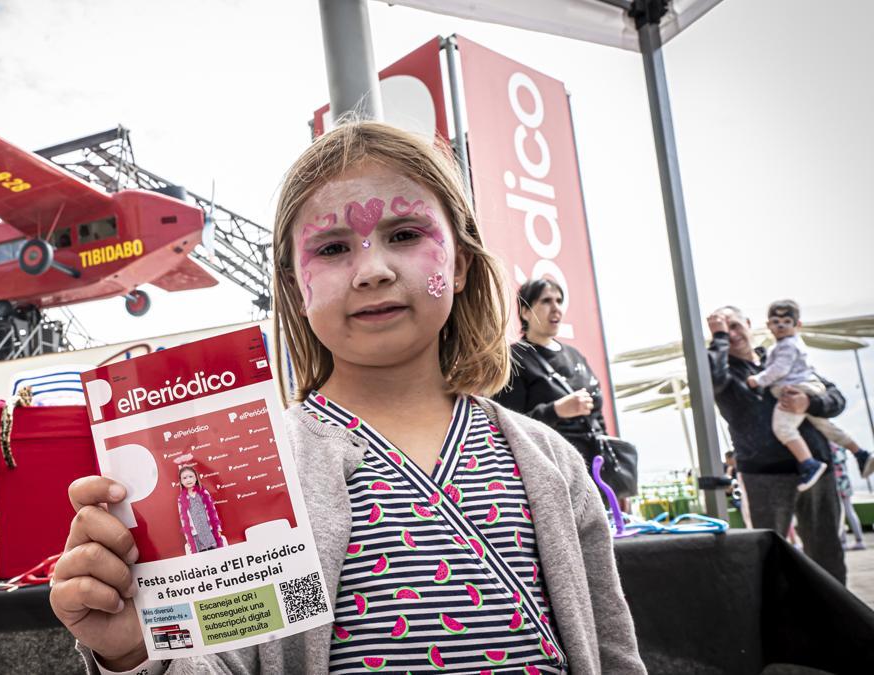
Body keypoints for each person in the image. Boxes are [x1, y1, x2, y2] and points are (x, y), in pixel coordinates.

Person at [51, 121, 644, 674]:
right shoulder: (253, 471)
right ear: (294, 287)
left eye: (405, 235)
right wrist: (138, 653)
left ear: (459, 263)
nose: (372, 270)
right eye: (332, 248)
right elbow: (221, 662)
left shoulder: (550, 462)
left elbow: (615, 652)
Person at [707, 306, 847, 582]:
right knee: (769, 559)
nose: (732, 334)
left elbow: (835, 397)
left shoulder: (780, 356)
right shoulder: (725, 373)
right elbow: (710, 377)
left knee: (827, 554)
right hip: (764, 476)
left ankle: (835, 619)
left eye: (735, 326)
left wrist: (810, 402)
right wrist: (719, 338)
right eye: (724, 330)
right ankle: (781, 622)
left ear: (749, 324)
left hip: (817, 469)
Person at [492, 277, 635, 507]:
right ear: (525, 312)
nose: (556, 307)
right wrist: (556, 410)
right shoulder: (513, 358)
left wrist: (614, 483)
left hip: (595, 474)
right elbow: (506, 425)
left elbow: (597, 419)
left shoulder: (575, 356)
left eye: (559, 300)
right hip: (552, 474)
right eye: (546, 301)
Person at [745, 299, 872, 491]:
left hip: (815, 463)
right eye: (776, 321)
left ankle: (809, 464)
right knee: (827, 427)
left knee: (783, 428)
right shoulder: (777, 352)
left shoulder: (783, 352)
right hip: (779, 475)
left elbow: (836, 399)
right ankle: (860, 453)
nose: (780, 325)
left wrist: (809, 403)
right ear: (768, 325)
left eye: (786, 321)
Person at [176, 466, 224, 554]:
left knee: (216, 554)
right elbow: (184, 520)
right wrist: (188, 538)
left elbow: (213, 511)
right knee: (203, 556)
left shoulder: (204, 493)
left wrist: (217, 528)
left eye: (191, 476)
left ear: (196, 478)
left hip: (209, 531)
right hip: (196, 535)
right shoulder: (181, 499)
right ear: (181, 482)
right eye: (185, 478)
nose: (188, 480)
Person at [833, 443, 866, 551]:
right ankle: (860, 540)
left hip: (835, 482)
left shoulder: (826, 446)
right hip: (845, 480)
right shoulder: (840, 445)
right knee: (850, 511)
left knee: (839, 512)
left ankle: (843, 542)